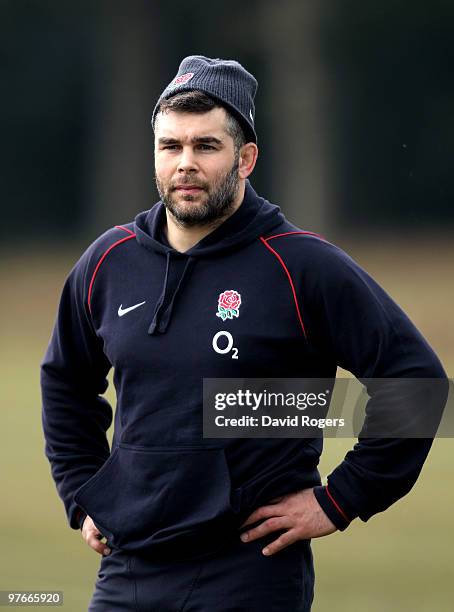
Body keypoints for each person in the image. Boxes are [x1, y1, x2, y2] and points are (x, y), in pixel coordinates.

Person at [41, 55, 447, 611]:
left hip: (250, 575)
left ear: (246, 157)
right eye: (171, 146)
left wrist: (338, 500)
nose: (185, 163)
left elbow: (417, 385)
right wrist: (84, 497)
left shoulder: (301, 265)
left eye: (206, 146)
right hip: (129, 569)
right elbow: (65, 381)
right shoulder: (108, 261)